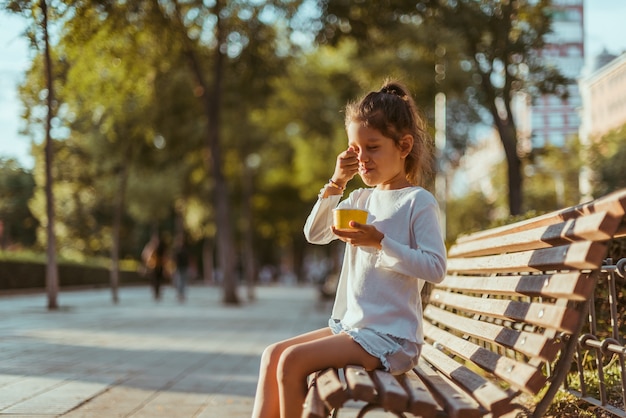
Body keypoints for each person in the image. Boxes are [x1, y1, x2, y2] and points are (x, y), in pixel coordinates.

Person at [251, 80, 447, 418]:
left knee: (293, 362)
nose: (363, 159)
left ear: (404, 145)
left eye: (372, 147)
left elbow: (435, 268)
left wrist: (381, 242)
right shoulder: (360, 199)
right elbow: (314, 233)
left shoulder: (418, 201)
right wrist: (337, 182)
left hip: (391, 338)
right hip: (355, 328)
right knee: (273, 354)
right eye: (355, 149)